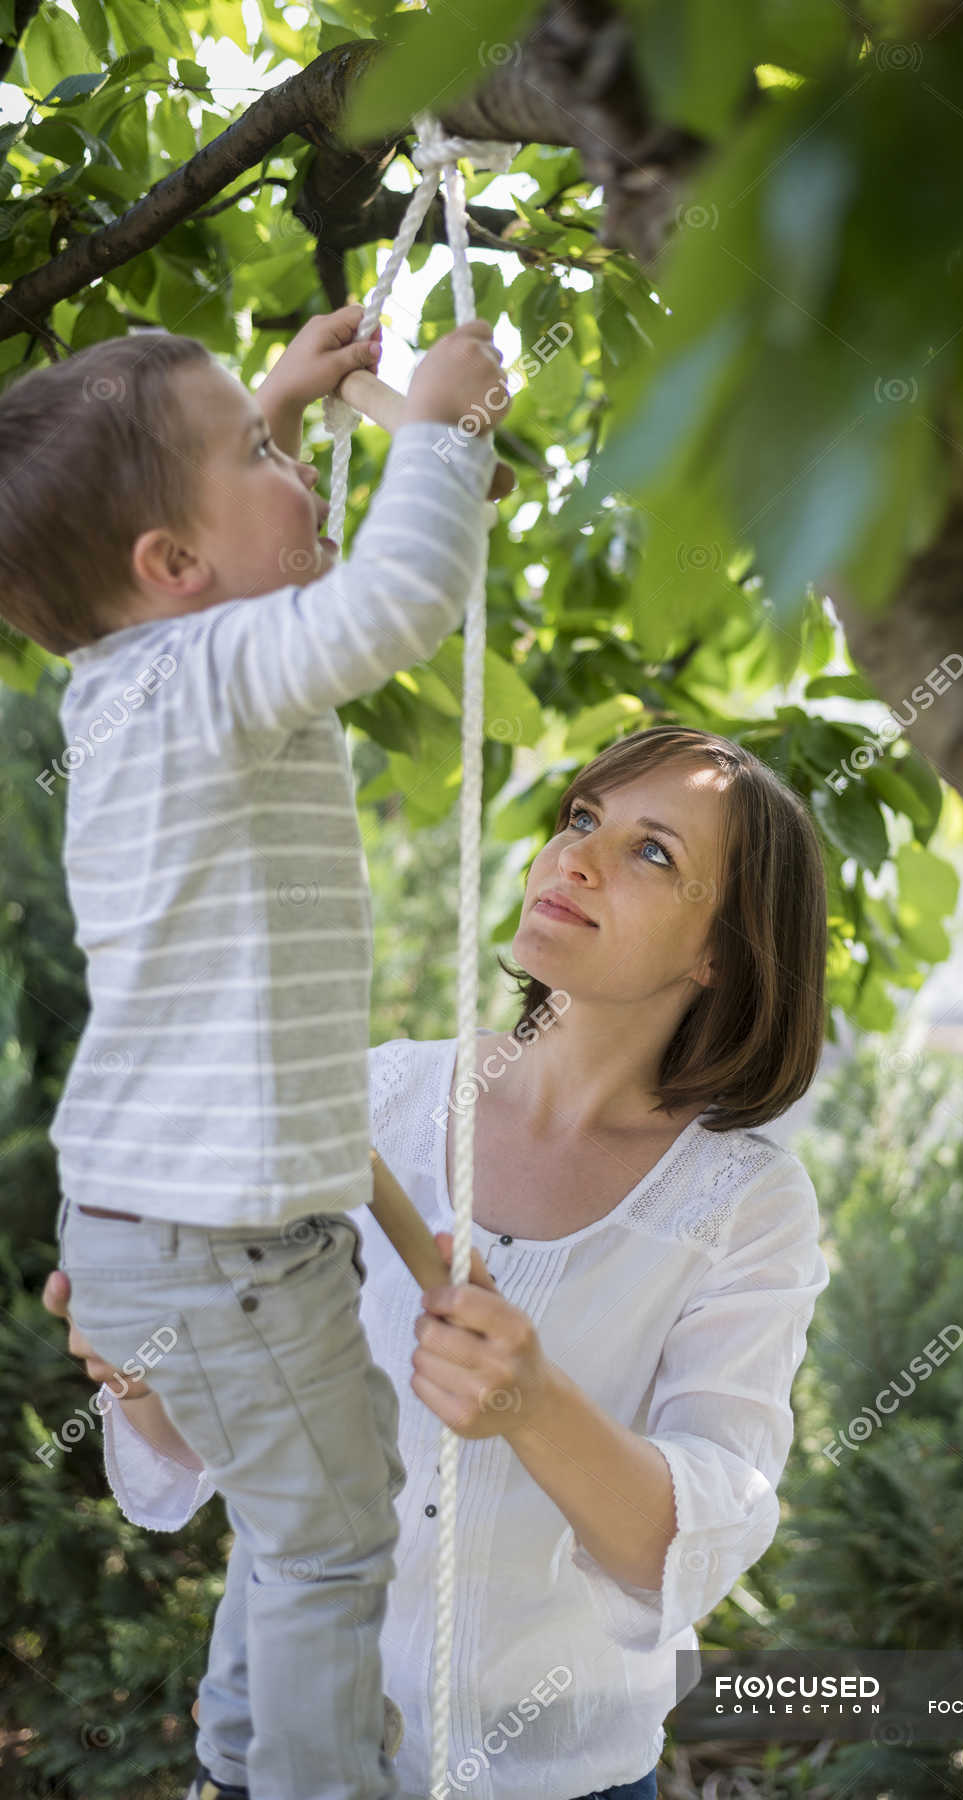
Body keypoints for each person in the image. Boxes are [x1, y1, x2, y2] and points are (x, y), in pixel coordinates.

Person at [44, 725, 833, 1800]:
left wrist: (534, 1404)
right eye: (581, 820)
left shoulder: (744, 1204)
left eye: (652, 852)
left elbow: (691, 1541)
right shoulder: (373, 1103)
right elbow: (215, 1433)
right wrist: (138, 1359)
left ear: (720, 953)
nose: (577, 858)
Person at [1, 305, 513, 1800]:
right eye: (260, 455)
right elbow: (396, 600)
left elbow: (241, 552)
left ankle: (245, 1756)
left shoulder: (136, 688)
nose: (295, 468)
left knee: (317, 1487)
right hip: (226, 1237)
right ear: (172, 566)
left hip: (165, 1228)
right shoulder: (217, 674)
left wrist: (273, 411)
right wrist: (434, 432)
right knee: (332, 1540)